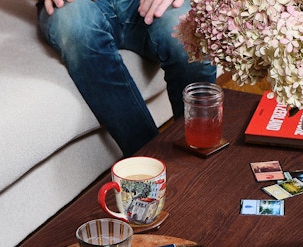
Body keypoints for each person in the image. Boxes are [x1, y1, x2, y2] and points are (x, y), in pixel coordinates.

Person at [37, 0, 216, 156]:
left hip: (142, 4)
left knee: (185, 31)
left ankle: (200, 157)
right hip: (75, 6)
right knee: (76, 24)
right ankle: (150, 162)